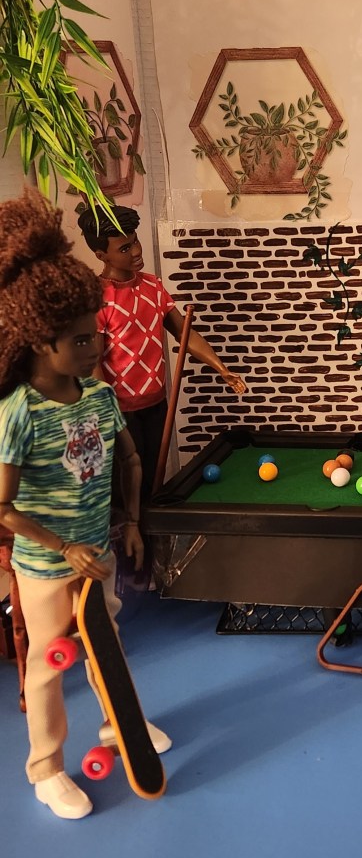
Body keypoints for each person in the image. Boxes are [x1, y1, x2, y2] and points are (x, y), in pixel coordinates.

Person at [0, 190, 170, 820]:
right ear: (40, 342)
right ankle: (45, 768)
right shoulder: (18, 413)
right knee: (48, 664)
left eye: (96, 332)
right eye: (80, 339)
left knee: (105, 642)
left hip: (97, 551)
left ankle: (117, 722)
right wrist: (63, 546)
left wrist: (131, 522)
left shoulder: (99, 396)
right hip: (47, 567)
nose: (96, 346)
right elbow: (3, 508)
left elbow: (129, 460)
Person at [77, 205, 246, 503]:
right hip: (120, 411)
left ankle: (151, 529)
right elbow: (93, 363)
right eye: (124, 248)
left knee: (152, 483)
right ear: (101, 255)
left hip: (156, 403)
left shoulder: (153, 287)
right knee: (127, 489)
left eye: (135, 241)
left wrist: (221, 368)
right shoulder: (96, 298)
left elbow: (185, 333)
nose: (136, 251)